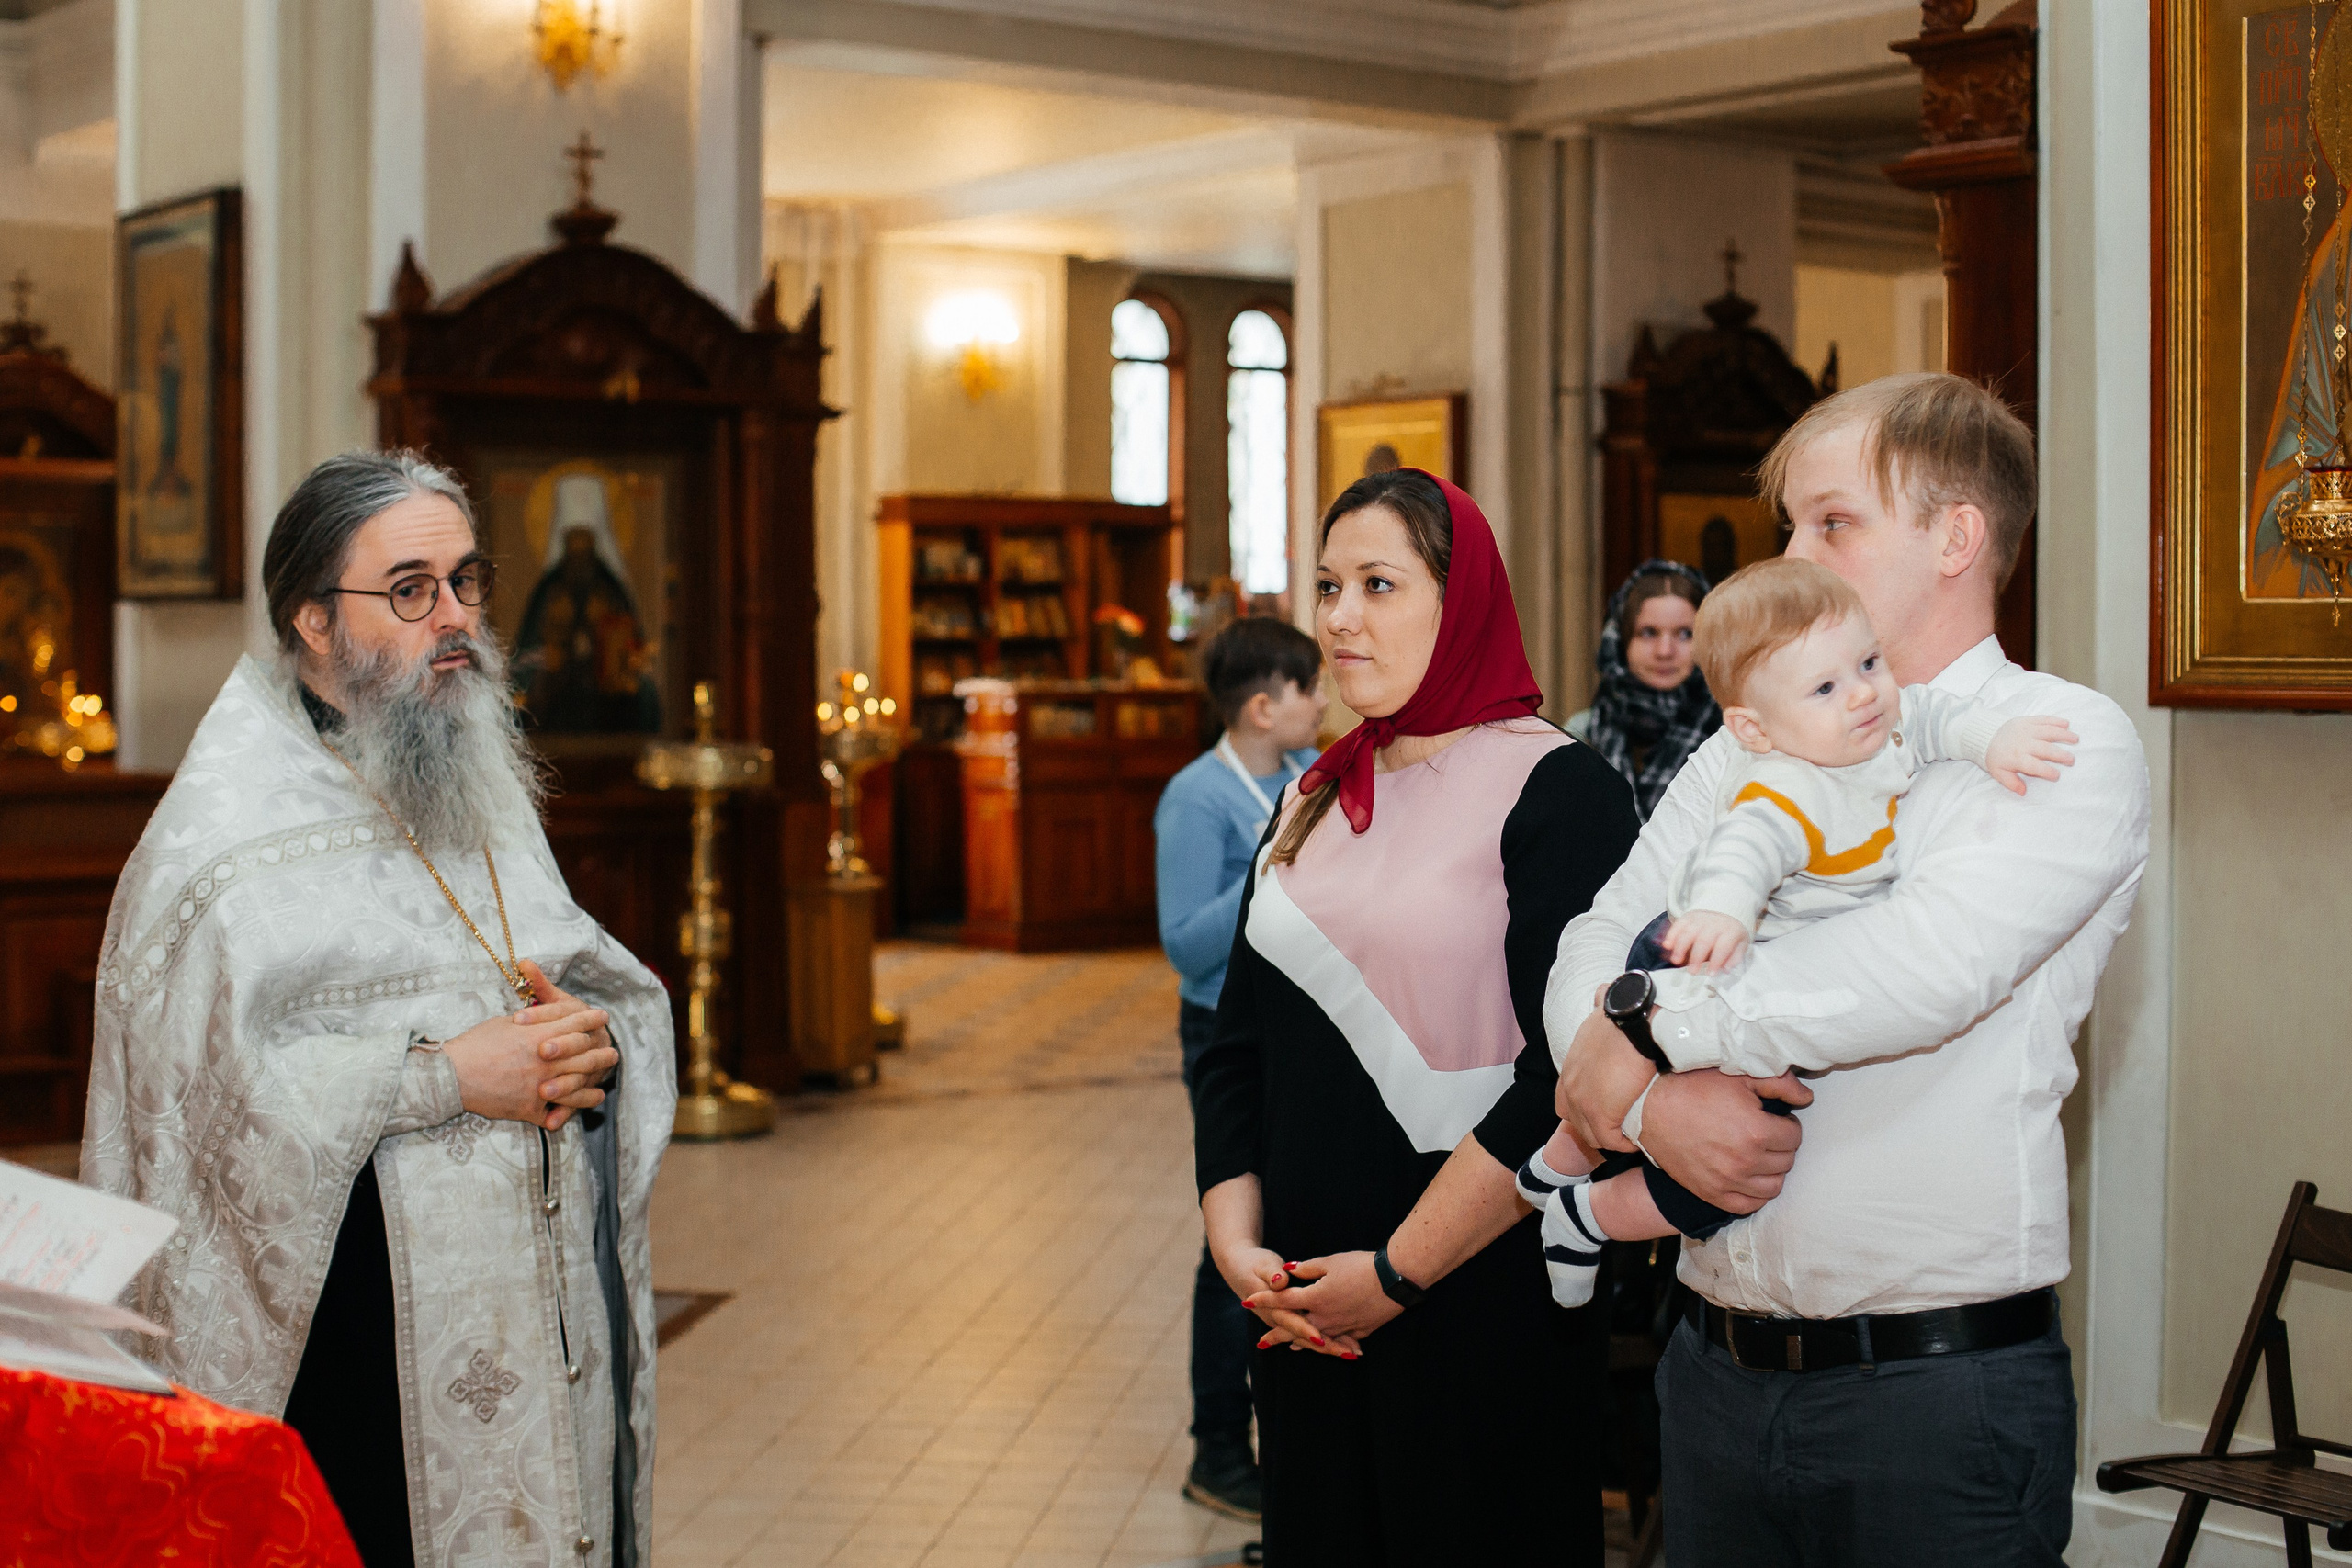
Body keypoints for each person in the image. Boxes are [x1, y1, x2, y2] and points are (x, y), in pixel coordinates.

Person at [1548, 373, 2152, 1566]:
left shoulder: (2061, 743)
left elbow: (1912, 976)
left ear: (1955, 537)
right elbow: (1597, 934)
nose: (1792, 558)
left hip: (1932, 1400)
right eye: (1789, 526)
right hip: (1710, 1371)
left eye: (1832, 522)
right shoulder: (1749, 742)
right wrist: (1651, 1102)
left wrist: (1647, 1023)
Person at [83, 450, 677, 1568]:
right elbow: (202, 1116)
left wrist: (588, 1043)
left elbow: (585, 978)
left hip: (532, 1323)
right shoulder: (217, 846)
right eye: (409, 590)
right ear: (313, 619)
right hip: (352, 1358)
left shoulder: (473, 780)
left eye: (465, 581)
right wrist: (448, 1078)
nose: (454, 619)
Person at [1191, 467, 1640, 1563]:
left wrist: (1394, 1276)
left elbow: (1567, 1076)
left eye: (1378, 585)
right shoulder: (1310, 796)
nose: (1339, 618)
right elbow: (1237, 1045)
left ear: (1462, 600)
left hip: (1479, 1302)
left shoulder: (1559, 789)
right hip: (1303, 1310)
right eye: (1328, 585)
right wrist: (1238, 1248)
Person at [1517, 555, 2078, 1309]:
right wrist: (1723, 909)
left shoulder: (1877, 723)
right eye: (1825, 688)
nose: (1863, 693)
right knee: (1681, 1117)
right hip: (1697, 950)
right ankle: (1570, 1177)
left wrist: (1994, 741)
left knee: (1732, 1157)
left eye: (1869, 663)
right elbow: (1749, 846)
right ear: (1756, 726)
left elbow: (1935, 717)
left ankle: (1579, 1207)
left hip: (1759, 974)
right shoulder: (1784, 779)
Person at [1153, 614, 1325, 1520]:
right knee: (1234, 1227)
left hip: (1301, 1025)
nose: (1323, 701)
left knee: (1294, 1217)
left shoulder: (1309, 774)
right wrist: (1272, 862)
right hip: (1222, 1031)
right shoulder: (1195, 798)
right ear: (1263, 707)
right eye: (1308, 687)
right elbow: (1185, 944)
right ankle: (1218, 1446)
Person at [1567, 560, 1719, 818]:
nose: (1665, 651)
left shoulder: (1736, 735)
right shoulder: (1582, 733)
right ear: (1620, 640)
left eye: (1685, 634)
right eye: (1648, 633)